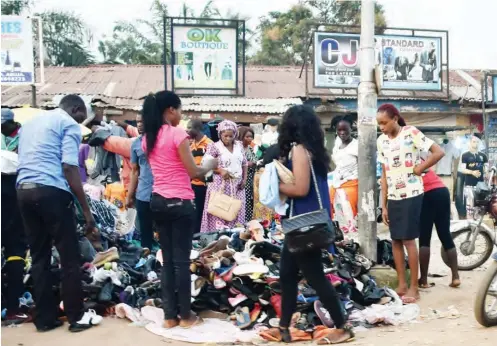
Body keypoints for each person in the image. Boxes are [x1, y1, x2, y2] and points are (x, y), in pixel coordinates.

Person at [16, 95, 103, 332]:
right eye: (82, 117)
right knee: (69, 257)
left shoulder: (31, 123)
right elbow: (68, 166)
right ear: (75, 109)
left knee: (39, 256)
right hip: (51, 192)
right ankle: (76, 317)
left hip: (23, 191)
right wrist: (87, 212)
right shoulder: (68, 124)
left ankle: (45, 319)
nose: (81, 123)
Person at [275, 105, 354, 344]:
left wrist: (273, 187)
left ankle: (342, 326)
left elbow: (300, 189)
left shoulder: (300, 150)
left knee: (315, 277)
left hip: (303, 225)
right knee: (287, 275)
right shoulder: (317, 151)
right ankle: (283, 328)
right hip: (305, 224)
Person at [141, 91, 217, 329]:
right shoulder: (177, 134)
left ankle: (169, 316)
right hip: (180, 202)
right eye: (180, 109)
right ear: (171, 110)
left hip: (158, 201)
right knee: (181, 262)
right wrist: (210, 165)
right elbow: (193, 171)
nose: (182, 114)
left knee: (167, 260)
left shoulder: (148, 138)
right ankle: (186, 316)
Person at [377, 103, 444, 304]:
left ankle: (415, 287)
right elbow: (384, 173)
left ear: (395, 119)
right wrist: (384, 204)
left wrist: (420, 168)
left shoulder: (411, 133)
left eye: (384, 123)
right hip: (393, 196)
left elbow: (438, 152)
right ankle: (402, 285)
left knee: (408, 240)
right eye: (379, 124)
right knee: (395, 240)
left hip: (412, 193)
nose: (381, 127)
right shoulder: (381, 141)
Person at [1, 108, 28, 325]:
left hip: (14, 194)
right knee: (15, 253)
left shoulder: (24, 137)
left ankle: (10, 307)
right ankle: (10, 308)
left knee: (15, 254)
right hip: (13, 197)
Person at [200, 120, 247, 233]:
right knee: (219, 212)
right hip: (220, 185)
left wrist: (244, 179)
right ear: (220, 134)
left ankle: (234, 239)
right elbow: (205, 164)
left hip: (237, 186)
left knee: (236, 211)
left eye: (231, 136)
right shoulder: (214, 147)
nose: (228, 138)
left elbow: (244, 163)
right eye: (225, 136)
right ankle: (217, 238)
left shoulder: (239, 145)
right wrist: (219, 170)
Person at [419, 169, 461, 288]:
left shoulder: (405, 161)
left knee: (424, 237)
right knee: (445, 234)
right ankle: (456, 277)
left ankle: (423, 280)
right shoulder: (422, 158)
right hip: (442, 191)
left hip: (426, 193)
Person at [126, 113, 154, 249]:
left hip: (163, 193)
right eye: (137, 122)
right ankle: (148, 260)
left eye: (143, 121)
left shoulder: (161, 141)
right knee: (145, 231)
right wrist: (129, 195)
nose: (140, 125)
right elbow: (135, 171)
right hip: (143, 193)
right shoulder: (136, 144)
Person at [330, 115, 359, 237]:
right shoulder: (337, 143)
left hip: (352, 183)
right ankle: (342, 234)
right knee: (335, 209)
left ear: (351, 129)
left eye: (345, 130)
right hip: (337, 182)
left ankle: (353, 235)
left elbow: (365, 167)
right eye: (339, 130)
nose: (342, 133)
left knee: (348, 210)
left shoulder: (356, 146)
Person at [187, 119, 213, 234]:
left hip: (204, 185)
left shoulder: (209, 144)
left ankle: (198, 234)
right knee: (194, 211)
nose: (186, 130)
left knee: (201, 212)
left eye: (189, 127)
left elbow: (213, 165)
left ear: (197, 129)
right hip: (193, 184)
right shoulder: (191, 145)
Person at [238, 126, 257, 222]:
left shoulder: (250, 148)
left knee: (248, 201)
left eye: (251, 137)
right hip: (241, 179)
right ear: (241, 136)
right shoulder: (237, 148)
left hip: (250, 179)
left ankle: (247, 223)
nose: (250, 139)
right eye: (247, 137)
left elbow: (255, 160)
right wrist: (248, 164)